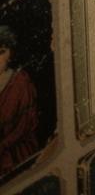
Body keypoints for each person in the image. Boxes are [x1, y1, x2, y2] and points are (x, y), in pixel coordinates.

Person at [0, 26, 39, 180]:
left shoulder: (20, 82)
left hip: (16, 154)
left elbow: (24, 126)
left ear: (11, 54)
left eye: (1, 52)